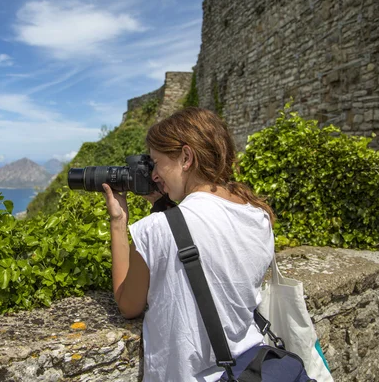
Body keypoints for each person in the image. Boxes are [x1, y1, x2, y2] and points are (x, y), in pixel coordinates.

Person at [101, 107, 276, 381]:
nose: (154, 174)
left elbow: (128, 304)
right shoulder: (258, 214)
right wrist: (162, 206)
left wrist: (118, 220)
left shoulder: (158, 229)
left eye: (157, 163)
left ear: (186, 157)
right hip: (251, 366)